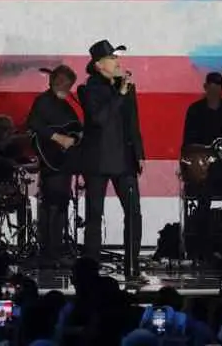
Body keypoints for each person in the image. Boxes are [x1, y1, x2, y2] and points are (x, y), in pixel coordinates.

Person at [78, 40, 144, 280]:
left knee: (134, 212)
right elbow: (99, 119)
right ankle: (90, 271)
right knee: (95, 216)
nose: (118, 62)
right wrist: (120, 94)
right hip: (97, 161)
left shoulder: (125, 86)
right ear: (99, 65)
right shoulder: (88, 89)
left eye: (118, 58)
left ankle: (132, 265)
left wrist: (139, 153)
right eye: (113, 58)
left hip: (124, 159)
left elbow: (132, 122)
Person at [181, 72, 222, 261]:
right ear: (205, 88)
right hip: (202, 171)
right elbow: (187, 144)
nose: (215, 92)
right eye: (212, 88)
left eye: (219, 89)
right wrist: (209, 151)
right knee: (203, 201)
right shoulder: (195, 110)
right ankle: (203, 249)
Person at [27, 65, 81, 265]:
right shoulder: (42, 101)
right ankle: (51, 251)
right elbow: (33, 123)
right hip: (52, 161)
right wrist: (58, 138)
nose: (64, 87)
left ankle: (56, 248)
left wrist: (77, 137)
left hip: (63, 162)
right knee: (53, 204)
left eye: (68, 84)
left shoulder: (67, 106)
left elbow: (75, 128)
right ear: (51, 82)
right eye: (61, 83)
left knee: (60, 203)